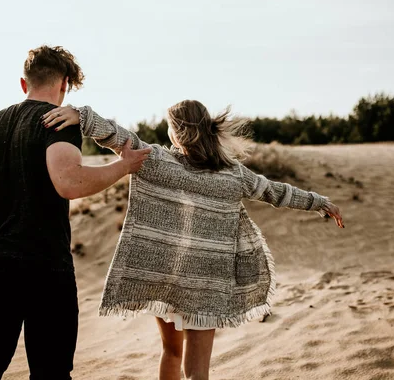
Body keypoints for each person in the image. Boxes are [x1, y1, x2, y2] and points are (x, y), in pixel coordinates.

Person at [41, 100, 344, 380]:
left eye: (169, 127)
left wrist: (82, 116)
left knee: (171, 352)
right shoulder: (234, 174)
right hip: (206, 284)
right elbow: (274, 191)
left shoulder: (156, 160)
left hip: (167, 279)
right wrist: (320, 202)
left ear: (178, 133)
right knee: (198, 374)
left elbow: (119, 137)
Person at [0, 45, 151, 380]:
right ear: (65, 83)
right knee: (51, 369)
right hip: (45, 265)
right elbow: (69, 183)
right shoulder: (58, 121)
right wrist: (123, 166)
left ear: (23, 83)